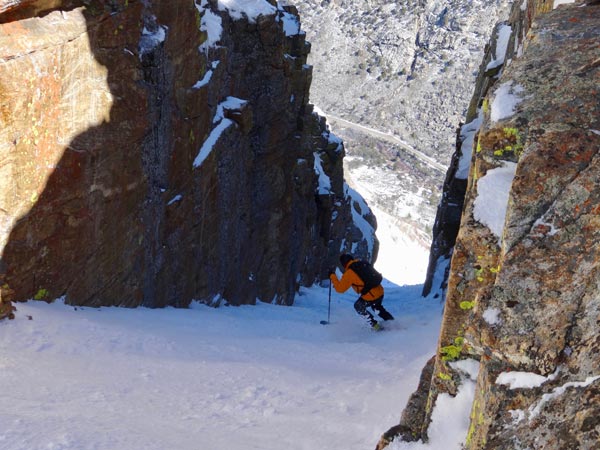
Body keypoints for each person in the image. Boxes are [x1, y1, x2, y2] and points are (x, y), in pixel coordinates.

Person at [329, 253, 394, 330]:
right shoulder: (363, 263)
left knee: (358, 306)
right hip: (379, 291)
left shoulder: (350, 272)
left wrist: (332, 275)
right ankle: (393, 323)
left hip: (371, 295)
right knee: (377, 308)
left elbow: (340, 289)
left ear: (344, 264)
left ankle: (375, 326)